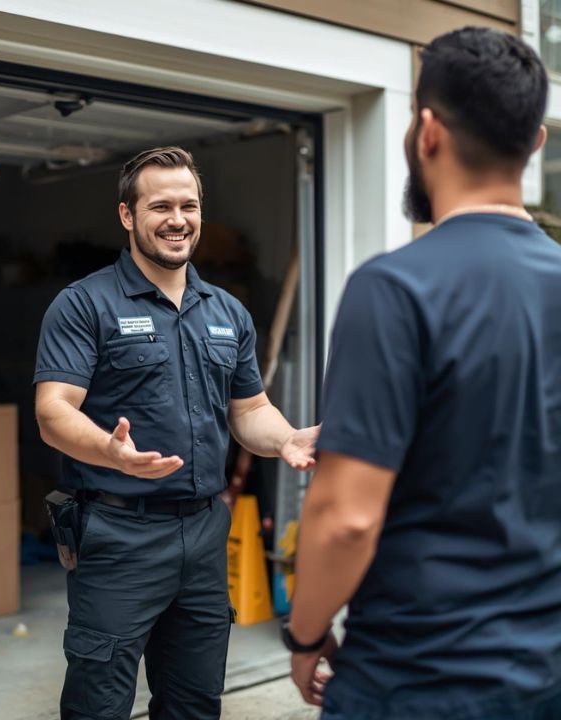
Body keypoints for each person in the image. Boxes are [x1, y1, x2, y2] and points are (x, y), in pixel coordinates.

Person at [287, 26, 561, 720]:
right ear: (535, 145)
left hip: (417, 682)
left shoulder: (395, 289)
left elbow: (346, 518)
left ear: (428, 131)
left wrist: (306, 635)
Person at [34, 146, 318, 720]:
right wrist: (110, 453)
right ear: (127, 216)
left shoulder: (227, 312)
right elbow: (53, 411)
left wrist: (284, 437)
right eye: (160, 205)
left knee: (194, 701)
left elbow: (249, 409)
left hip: (204, 532)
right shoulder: (84, 304)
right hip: (116, 534)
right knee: (99, 704)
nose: (177, 219)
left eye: (189, 205)